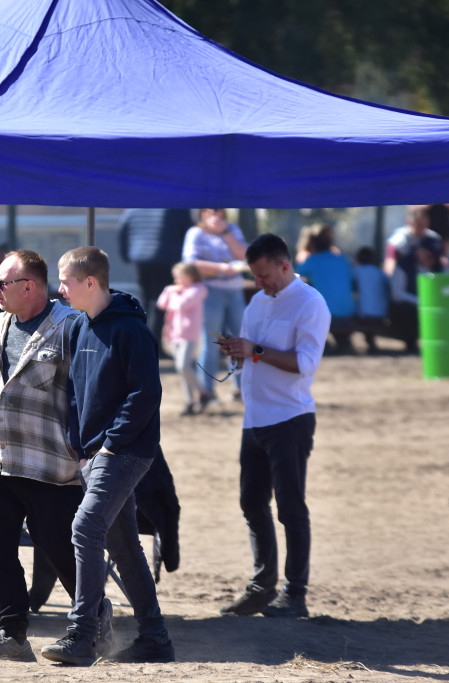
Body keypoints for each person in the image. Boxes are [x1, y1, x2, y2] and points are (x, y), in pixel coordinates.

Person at [0, 249, 97, 662]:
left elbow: (90, 392)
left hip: (50, 466)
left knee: (60, 551)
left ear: (28, 286)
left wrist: (85, 446)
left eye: (2, 283)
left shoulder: (71, 327)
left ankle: (94, 620)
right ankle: (12, 635)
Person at [42, 246, 174, 666]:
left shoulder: (131, 331)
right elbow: (76, 394)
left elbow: (146, 394)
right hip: (94, 454)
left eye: (65, 281)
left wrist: (112, 443)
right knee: (123, 545)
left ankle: (82, 635)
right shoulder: (80, 326)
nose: (59, 289)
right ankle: (155, 638)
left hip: (127, 451)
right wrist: (80, 445)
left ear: (91, 282)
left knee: (84, 527)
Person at [216, 233, 330, 619]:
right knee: (252, 502)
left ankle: (294, 593)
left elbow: (305, 364)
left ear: (285, 265)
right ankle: (262, 587)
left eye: (264, 275)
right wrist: (238, 351)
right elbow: (251, 354)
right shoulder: (256, 302)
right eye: (255, 276)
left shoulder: (310, 303)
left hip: (290, 419)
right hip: (256, 419)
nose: (259, 282)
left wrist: (256, 351)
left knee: (290, 507)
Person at [182, 208, 248, 405]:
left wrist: (225, 233)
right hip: (210, 292)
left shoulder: (232, 229)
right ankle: (206, 391)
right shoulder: (196, 233)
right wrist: (220, 268)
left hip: (235, 290)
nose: (216, 215)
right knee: (212, 341)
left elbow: (245, 255)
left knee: (239, 339)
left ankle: (241, 388)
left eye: (219, 211)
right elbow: (190, 262)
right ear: (202, 213)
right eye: (211, 211)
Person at [118, 208, 193, 347]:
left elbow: (123, 230)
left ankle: (145, 340)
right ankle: (152, 343)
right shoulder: (177, 207)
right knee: (160, 303)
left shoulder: (133, 207)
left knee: (146, 300)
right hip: (167, 258)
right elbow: (188, 232)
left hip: (140, 257)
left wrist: (126, 255)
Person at [156, 262, 207, 415]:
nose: (177, 280)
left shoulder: (198, 289)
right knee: (184, 370)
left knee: (182, 367)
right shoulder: (176, 290)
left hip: (189, 334)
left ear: (190, 276)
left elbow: (180, 305)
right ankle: (190, 401)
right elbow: (161, 304)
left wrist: (174, 293)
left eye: (180, 277)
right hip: (175, 334)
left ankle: (203, 392)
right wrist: (168, 290)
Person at [295, 224, 355, 354]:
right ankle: (342, 340)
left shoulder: (311, 261)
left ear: (310, 244)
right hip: (348, 314)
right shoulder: (344, 260)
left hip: (324, 316)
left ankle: (323, 343)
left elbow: (293, 279)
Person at [389, 235, 446, 352]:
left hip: (432, 307)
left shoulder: (438, 266)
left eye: (434, 256)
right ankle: (410, 343)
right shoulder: (405, 264)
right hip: (408, 310)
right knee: (405, 309)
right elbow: (397, 293)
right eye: (428, 255)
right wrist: (420, 301)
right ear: (418, 250)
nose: (431, 259)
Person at [383, 205, 441, 276]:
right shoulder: (399, 240)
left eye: (424, 225)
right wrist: (413, 256)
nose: (421, 229)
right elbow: (389, 267)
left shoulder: (433, 239)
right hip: (405, 279)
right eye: (418, 225)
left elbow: (442, 261)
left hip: (427, 279)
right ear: (410, 222)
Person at [352, 246, 389, 353]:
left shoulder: (356, 271)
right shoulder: (379, 272)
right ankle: (370, 341)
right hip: (381, 313)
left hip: (364, 315)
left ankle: (345, 341)